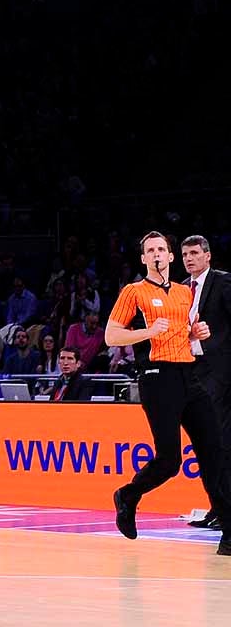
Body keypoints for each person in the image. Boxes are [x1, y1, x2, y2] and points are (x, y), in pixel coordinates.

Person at [105, 231, 231, 553]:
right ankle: (129, 495)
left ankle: (229, 532)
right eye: (151, 250)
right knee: (169, 461)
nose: (158, 254)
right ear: (144, 259)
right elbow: (111, 337)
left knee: (215, 451)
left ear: (170, 257)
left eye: (162, 249)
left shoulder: (183, 293)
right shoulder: (133, 292)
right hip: (157, 378)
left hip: (190, 375)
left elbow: (184, 334)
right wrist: (147, 331)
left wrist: (195, 333)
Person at [182, 234, 231, 530]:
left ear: (208, 256)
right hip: (192, 369)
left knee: (220, 442)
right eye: (185, 254)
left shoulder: (223, 282)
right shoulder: (180, 290)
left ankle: (226, 511)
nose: (189, 258)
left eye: (195, 253)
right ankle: (217, 507)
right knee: (204, 443)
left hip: (219, 372)